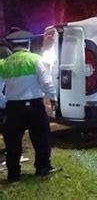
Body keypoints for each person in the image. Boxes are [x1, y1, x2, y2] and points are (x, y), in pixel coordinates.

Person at [0, 30, 58, 182]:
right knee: (41, 138)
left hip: (13, 108)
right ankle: (43, 168)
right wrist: (53, 98)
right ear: (29, 43)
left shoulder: (3, 63)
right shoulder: (35, 59)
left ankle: (13, 174)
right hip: (34, 107)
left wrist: (4, 103)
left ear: (11, 46)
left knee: (12, 141)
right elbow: (47, 83)